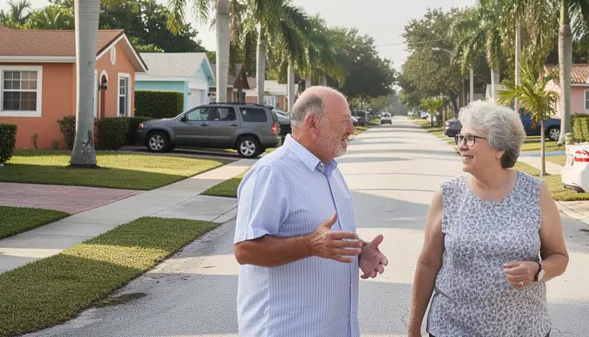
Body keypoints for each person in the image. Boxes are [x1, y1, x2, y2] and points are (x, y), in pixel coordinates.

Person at [234, 86, 389, 336]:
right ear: (313, 123)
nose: (351, 129)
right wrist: (311, 245)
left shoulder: (331, 171)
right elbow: (245, 249)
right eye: (344, 122)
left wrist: (359, 250)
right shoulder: (272, 172)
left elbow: (325, 236)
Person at [408, 100, 570, 337]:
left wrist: (537, 270)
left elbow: (559, 257)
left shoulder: (535, 192)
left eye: (471, 138)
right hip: (452, 328)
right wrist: (413, 329)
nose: (462, 146)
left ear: (499, 148)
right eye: (460, 138)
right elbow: (428, 263)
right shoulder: (448, 194)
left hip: (523, 329)